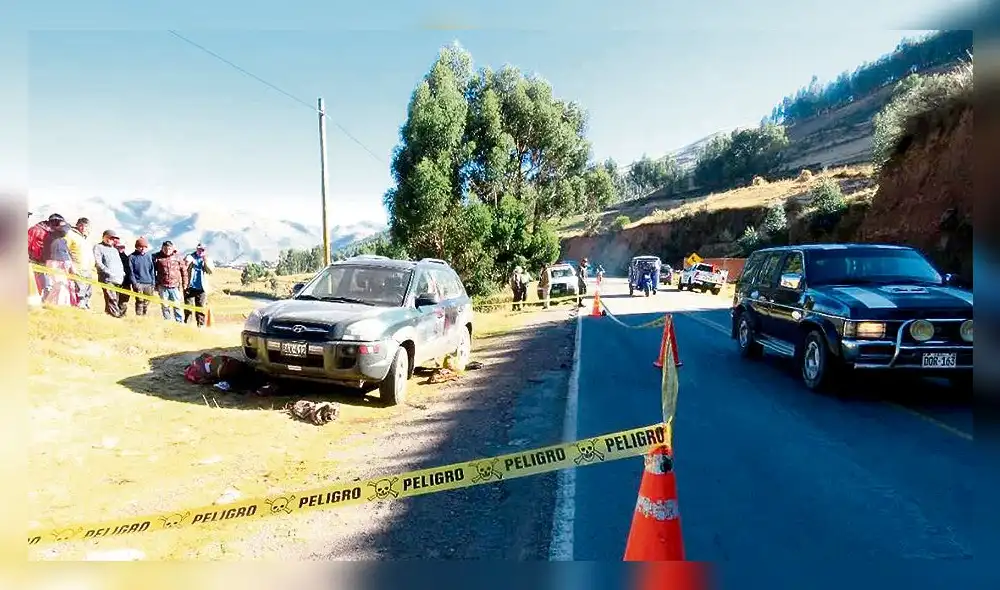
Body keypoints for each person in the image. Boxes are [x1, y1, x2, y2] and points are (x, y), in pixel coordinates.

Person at [27, 213, 65, 298]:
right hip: (36, 262)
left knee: (50, 285)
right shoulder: (35, 230)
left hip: (48, 262)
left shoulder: (53, 233)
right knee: (42, 286)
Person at [42, 222, 77, 307]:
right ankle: (56, 305)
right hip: (54, 263)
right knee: (59, 286)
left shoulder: (63, 241)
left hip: (63, 265)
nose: (67, 232)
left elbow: (66, 254)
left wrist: (71, 266)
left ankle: (50, 304)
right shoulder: (50, 237)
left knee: (63, 286)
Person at [93, 229, 126, 318]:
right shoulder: (98, 247)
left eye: (112, 238)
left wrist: (122, 273)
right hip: (106, 278)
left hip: (118, 279)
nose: (110, 240)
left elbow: (119, 263)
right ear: (104, 237)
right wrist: (107, 271)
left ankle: (108, 315)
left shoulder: (114, 250)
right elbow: (98, 262)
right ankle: (116, 316)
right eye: (108, 237)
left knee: (116, 298)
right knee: (112, 298)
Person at [153, 240, 187, 323]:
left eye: (169, 248)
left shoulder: (178, 257)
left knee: (177, 306)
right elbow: (152, 271)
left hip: (175, 286)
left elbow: (184, 271)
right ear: (162, 248)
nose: (167, 250)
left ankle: (179, 322)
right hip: (162, 286)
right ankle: (167, 322)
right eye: (165, 248)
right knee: (165, 306)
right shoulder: (157, 257)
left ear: (172, 248)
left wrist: (185, 284)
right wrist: (155, 284)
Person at [64, 217, 94, 309]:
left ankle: (85, 305)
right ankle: (78, 307)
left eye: (86, 226)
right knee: (79, 289)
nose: (83, 228)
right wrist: (70, 265)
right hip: (77, 267)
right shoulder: (70, 234)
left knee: (88, 290)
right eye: (81, 225)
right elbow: (65, 250)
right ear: (77, 225)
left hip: (88, 269)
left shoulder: (85, 238)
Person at [183, 243, 213, 327]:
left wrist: (205, 261)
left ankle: (200, 326)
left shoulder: (208, 259)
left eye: (203, 250)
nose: (201, 251)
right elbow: (183, 268)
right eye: (199, 249)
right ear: (196, 249)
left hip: (202, 288)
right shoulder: (190, 257)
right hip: (190, 287)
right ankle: (187, 326)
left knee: (200, 309)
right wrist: (187, 262)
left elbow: (210, 271)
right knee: (188, 308)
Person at [128, 237, 156, 316]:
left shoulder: (148, 256)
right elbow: (131, 272)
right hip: (138, 283)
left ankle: (144, 315)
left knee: (147, 301)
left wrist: (153, 282)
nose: (143, 248)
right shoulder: (132, 257)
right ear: (136, 247)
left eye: (145, 247)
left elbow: (152, 270)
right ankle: (139, 317)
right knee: (140, 301)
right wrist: (134, 283)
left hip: (149, 283)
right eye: (140, 246)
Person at [115, 240, 133, 316]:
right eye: (119, 247)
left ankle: (123, 314)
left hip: (126, 282)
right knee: (116, 299)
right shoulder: (114, 257)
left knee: (125, 299)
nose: (121, 248)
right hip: (117, 281)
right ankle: (115, 314)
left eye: (123, 247)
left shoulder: (127, 257)